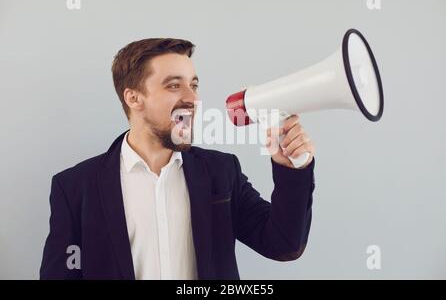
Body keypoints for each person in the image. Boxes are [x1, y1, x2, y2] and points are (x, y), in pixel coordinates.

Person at [40, 38, 316, 280]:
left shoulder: (221, 171)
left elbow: (283, 244)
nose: (191, 98)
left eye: (194, 85)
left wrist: (292, 168)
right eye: (174, 86)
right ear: (134, 98)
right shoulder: (75, 187)